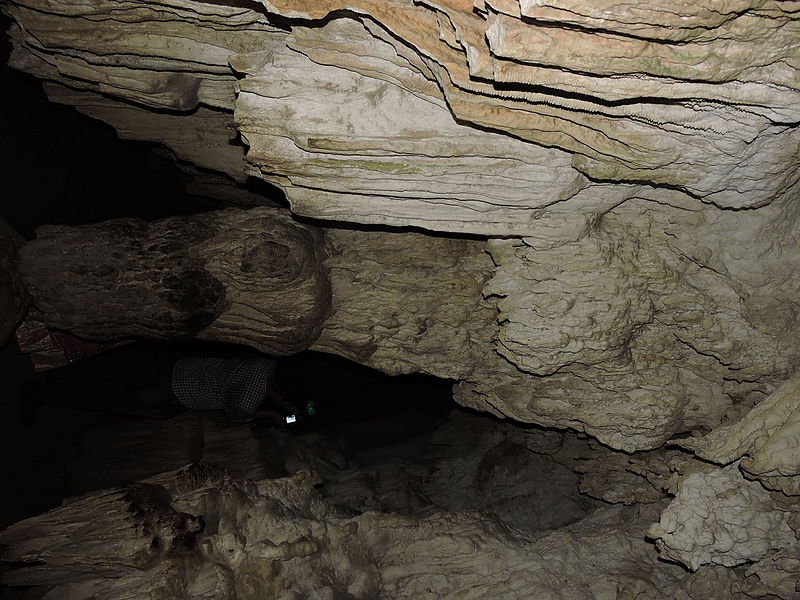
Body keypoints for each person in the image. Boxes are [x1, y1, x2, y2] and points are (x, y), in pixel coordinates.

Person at [21, 342, 294, 427]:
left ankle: (49, 373)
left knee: (104, 368)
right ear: (278, 393)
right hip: (169, 396)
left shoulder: (265, 363)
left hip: (173, 367)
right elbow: (237, 414)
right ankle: (42, 392)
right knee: (100, 396)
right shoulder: (251, 396)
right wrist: (270, 413)